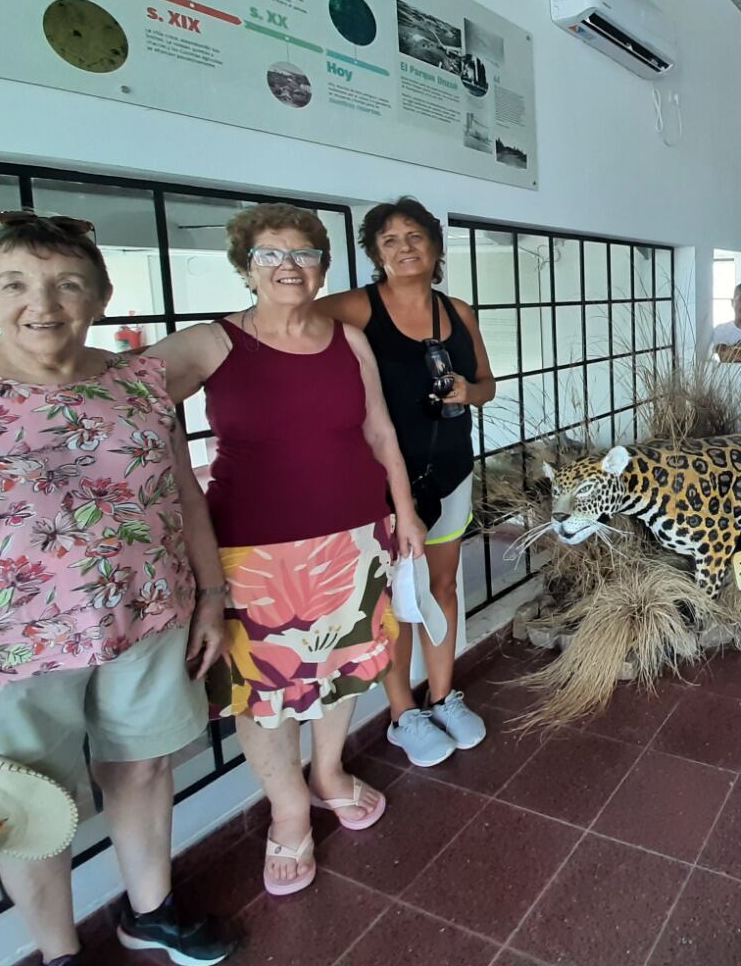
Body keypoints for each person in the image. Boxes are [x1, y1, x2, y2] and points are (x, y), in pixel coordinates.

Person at [0, 212, 238, 965]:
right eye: (15, 283)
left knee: (142, 769)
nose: (41, 303)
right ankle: (59, 952)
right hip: (5, 652)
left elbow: (183, 494)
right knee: (30, 809)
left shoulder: (137, 384)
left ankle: (150, 911)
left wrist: (210, 596)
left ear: (101, 297)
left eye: (67, 283)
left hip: (148, 622)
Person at [152, 203, 425, 894]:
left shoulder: (348, 340)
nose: (288, 267)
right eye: (270, 255)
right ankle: (290, 812)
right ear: (246, 268)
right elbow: (114, 389)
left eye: (302, 254)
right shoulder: (214, 343)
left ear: (322, 266)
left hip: (357, 539)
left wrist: (406, 514)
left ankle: (329, 771)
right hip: (253, 555)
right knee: (264, 693)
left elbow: (382, 435)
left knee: (343, 671)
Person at [315, 197, 494, 769]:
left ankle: (443, 696)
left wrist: (470, 392)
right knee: (393, 598)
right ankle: (401, 715)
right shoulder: (355, 308)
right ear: (373, 253)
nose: (403, 247)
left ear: (436, 248)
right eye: (388, 239)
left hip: (450, 469)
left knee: (442, 586)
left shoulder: (459, 311)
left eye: (414, 236)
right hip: (382, 480)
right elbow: (286, 325)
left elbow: (486, 383)